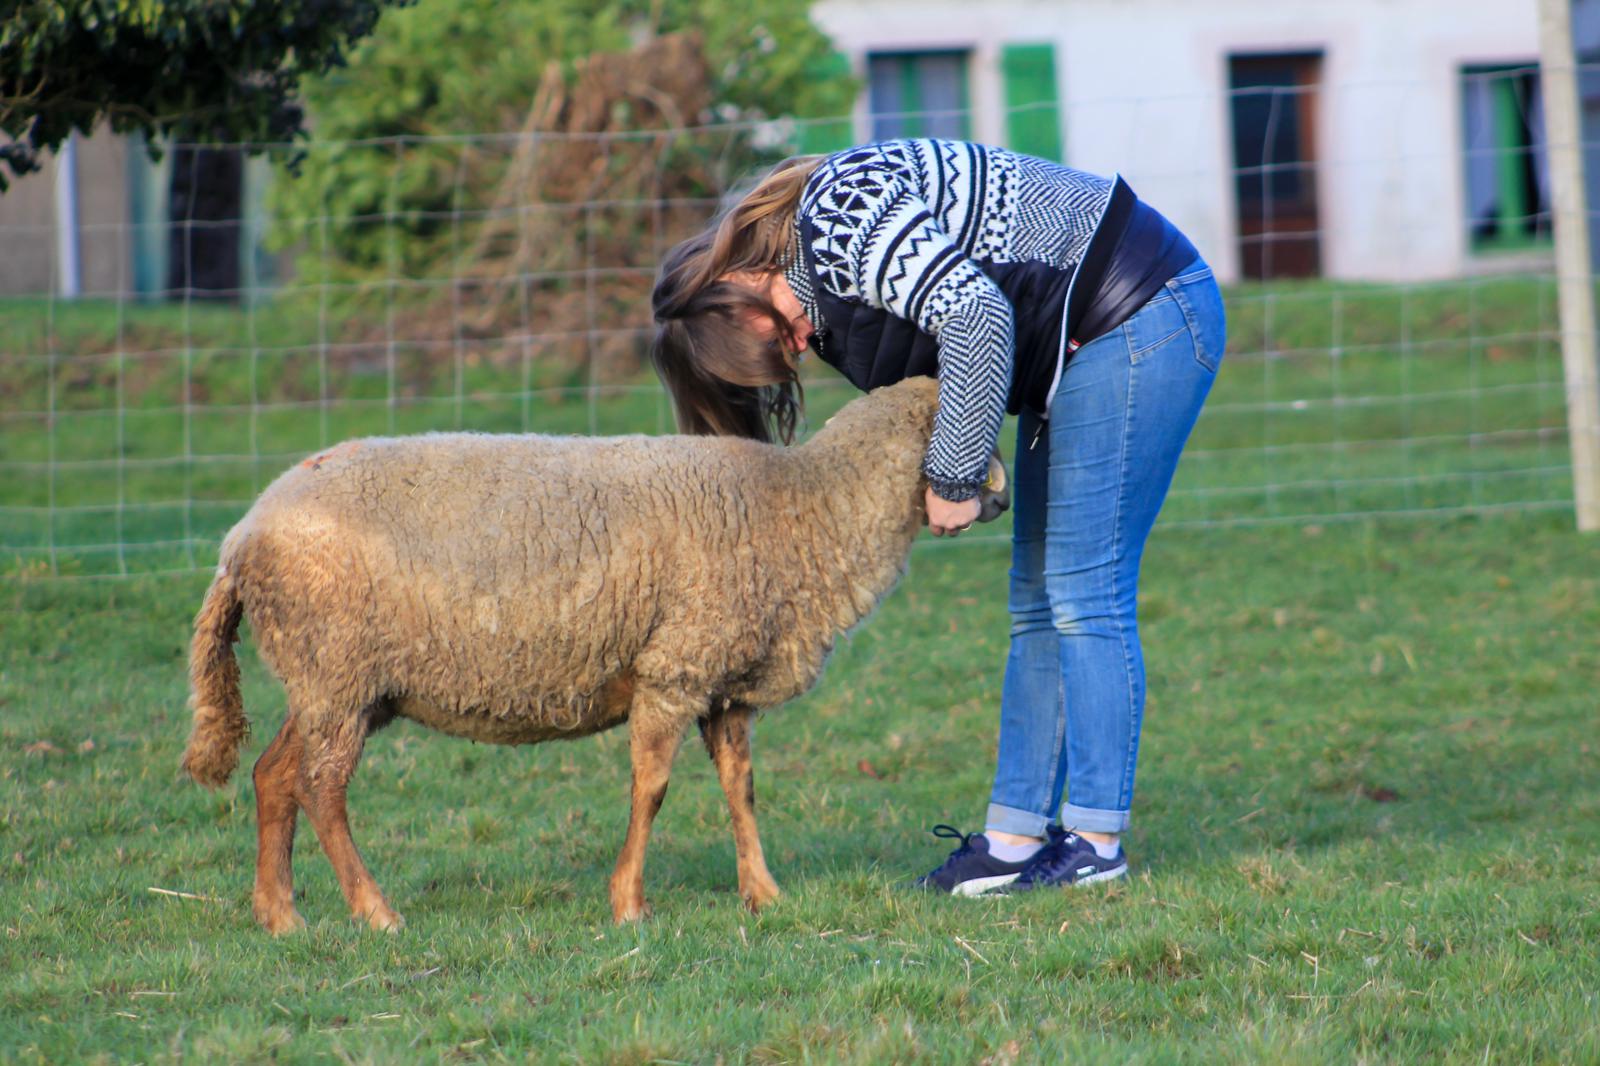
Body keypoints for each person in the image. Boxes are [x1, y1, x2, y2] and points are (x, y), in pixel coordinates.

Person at [649, 139, 1225, 894]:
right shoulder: (816, 292)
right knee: (1036, 601)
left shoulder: (838, 214)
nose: (792, 354)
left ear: (737, 277)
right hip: (1079, 345)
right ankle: (1013, 839)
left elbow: (978, 318)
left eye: (775, 339)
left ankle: (1095, 841)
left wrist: (954, 474)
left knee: (1085, 590)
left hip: (1141, 313)